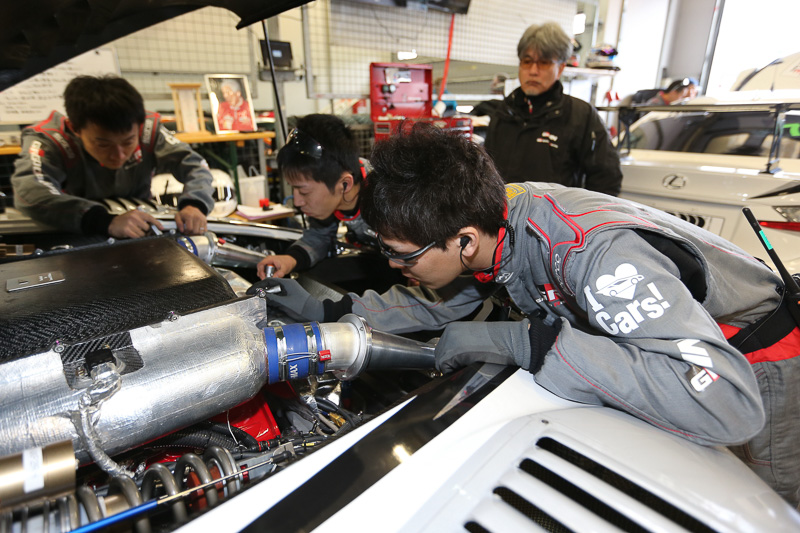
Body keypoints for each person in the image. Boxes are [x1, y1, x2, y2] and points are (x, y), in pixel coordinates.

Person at [252, 125, 800, 506]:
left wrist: (531, 345)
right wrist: (335, 310)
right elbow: (440, 297)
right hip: (673, 347)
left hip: (758, 359)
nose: (395, 266)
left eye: (402, 255)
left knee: (760, 509)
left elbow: (729, 404)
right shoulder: (498, 217)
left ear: (464, 241)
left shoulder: (592, 255)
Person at [11, 75, 214, 238]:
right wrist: (104, 221)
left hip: (141, 226)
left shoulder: (148, 130)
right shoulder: (50, 140)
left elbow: (195, 166)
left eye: (128, 142)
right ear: (75, 128)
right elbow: (30, 193)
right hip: (77, 231)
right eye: (103, 144)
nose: (119, 155)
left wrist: (194, 204)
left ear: (139, 126)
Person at [483, 22, 622, 196]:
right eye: (527, 61)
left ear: (561, 68)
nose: (533, 71)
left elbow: (607, 181)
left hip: (558, 213)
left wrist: (579, 212)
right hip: (503, 212)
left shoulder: (581, 116)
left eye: (544, 63)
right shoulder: (504, 112)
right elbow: (486, 174)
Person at [255, 114, 375, 279]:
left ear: (345, 185)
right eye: (293, 189)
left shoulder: (389, 196)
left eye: (304, 192)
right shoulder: (332, 191)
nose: (297, 202)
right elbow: (319, 237)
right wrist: (290, 260)